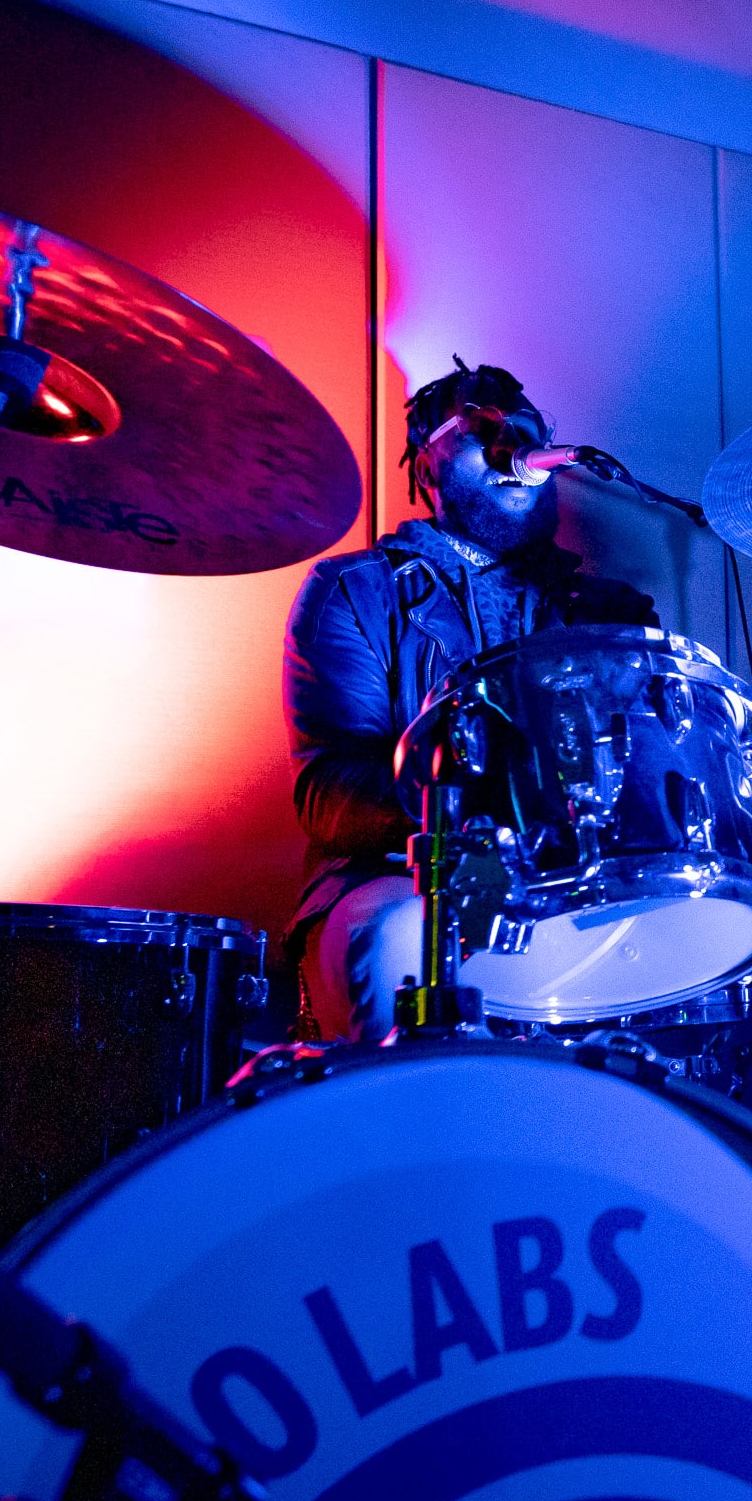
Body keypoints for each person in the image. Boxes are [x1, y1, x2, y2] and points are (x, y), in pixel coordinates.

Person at [282, 362, 657, 1044]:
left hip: (570, 885)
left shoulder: (606, 610)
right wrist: (489, 792)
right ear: (427, 469)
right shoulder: (355, 590)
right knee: (404, 941)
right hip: (395, 881)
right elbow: (326, 797)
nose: (511, 446)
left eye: (525, 432)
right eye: (482, 431)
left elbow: (659, 772)